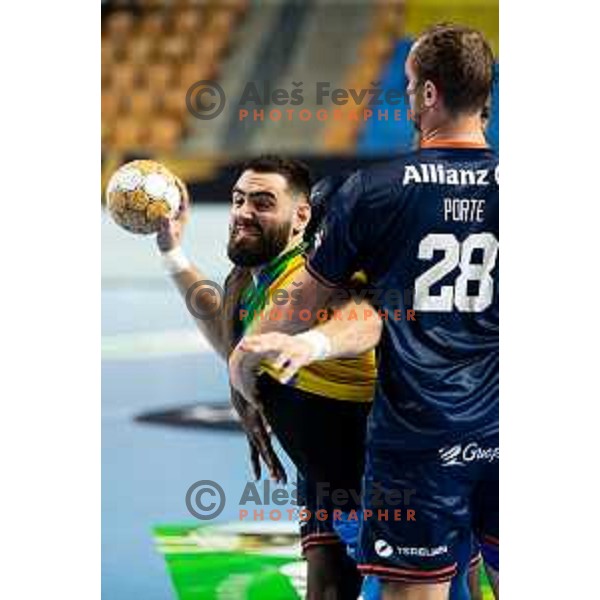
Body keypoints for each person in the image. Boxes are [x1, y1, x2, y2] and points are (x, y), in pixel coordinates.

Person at [230, 23, 499, 600]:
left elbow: (301, 304)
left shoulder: (374, 190)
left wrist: (247, 359)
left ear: (427, 94)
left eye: (408, 85)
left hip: (419, 439)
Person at [157, 157, 381, 599]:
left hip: (377, 475)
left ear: (302, 217)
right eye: (238, 199)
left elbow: (364, 316)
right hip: (323, 473)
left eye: (262, 202)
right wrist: (172, 254)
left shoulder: (318, 275)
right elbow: (225, 327)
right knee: (327, 587)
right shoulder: (250, 281)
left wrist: (313, 344)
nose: (243, 211)